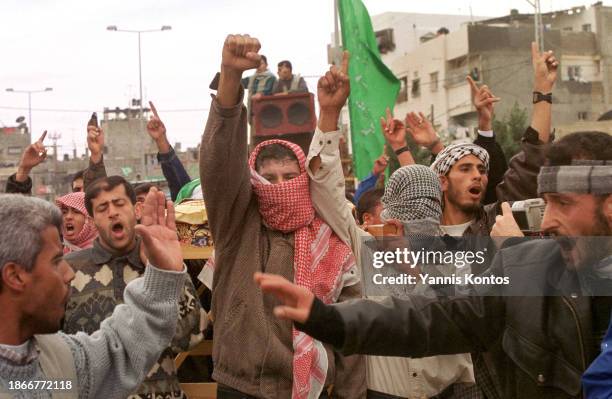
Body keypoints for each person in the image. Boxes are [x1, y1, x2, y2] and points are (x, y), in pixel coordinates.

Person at [256, 130, 612, 399]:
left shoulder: (473, 249)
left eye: (562, 203)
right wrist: (328, 318)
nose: (546, 222)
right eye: (545, 203)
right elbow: (433, 314)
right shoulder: (524, 269)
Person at [200, 34, 365, 398]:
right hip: (240, 386)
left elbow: (349, 332)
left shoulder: (329, 240)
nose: (280, 186)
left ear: (303, 179)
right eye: (268, 178)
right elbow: (218, 166)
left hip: (311, 388)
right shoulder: (237, 226)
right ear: (253, 181)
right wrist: (229, 80)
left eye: (290, 177)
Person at [0, 189, 188, 398]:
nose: (69, 273)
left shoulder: (58, 358)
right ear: (15, 276)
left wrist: (162, 276)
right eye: (55, 261)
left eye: (119, 204)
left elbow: (119, 353)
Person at [382, 42, 557, 237]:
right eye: (465, 169)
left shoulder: (496, 223)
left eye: (482, 170)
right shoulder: (423, 233)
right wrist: (400, 147)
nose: (477, 176)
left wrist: (543, 90)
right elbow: (415, 183)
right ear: (442, 182)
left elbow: (532, 160)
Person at [62, 176, 202, 399]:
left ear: (136, 209)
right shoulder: (68, 270)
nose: (113, 213)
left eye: (119, 204)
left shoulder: (160, 260)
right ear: (93, 220)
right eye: (102, 208)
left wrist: (166, 271)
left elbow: (191, 338)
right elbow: (52, 354)